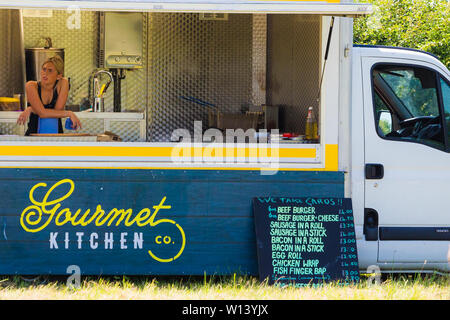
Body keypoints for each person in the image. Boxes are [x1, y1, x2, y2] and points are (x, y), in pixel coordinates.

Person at [16, 55, 81, 134]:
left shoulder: (63, 83)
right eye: (44, 69)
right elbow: (42, 113)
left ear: (58, 76)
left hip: (56, 135)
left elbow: (58, 111)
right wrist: (69, 113)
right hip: (34, 135)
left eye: (50, 70)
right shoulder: (31, 86)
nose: (45, 73)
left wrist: (32, 109)